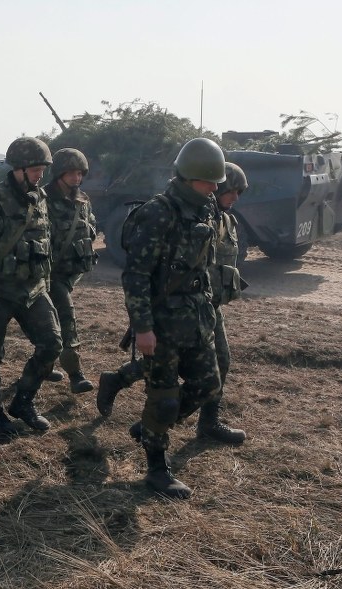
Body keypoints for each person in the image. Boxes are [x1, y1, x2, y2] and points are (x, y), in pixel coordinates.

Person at [100, 137, 227, 499]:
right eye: (209, 181)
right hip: (162, 322)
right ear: (188, 177)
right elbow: (136, 275)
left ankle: (150, 427)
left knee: (208, 385)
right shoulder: (158, 212)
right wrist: (142, 328)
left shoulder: (205, 208)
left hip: (197, 316)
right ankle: (157, 468)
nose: (215, 187)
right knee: (164, 398)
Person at [0, 137, 62, 434]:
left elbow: (45, 243)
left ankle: (23, 401)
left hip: (33, 290)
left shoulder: (40, 198)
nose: (40, 174)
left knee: (52, 344)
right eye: (35, 169)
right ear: (17, 169)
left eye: (43, 168)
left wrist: (46, 281)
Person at [199, 162, 249, 443]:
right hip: (189, 306)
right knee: (167, 368)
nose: (235, 197)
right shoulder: (197, 220)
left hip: (212, 307)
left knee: (222, 361)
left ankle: (209, 423)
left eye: (239, 192)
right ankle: (119, 380)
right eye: (231, 191)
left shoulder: (228, 221)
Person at [44, 148, 99, 394]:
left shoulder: (83, 199)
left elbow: (91, 226)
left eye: (80, 173)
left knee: (48, 325)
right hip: (50, 274)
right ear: (59, 174)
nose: (77, 178)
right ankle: (76, 375)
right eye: (71, 173)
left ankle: (43, 365)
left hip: (70, 273)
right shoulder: (43, 200)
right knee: (66, 320)